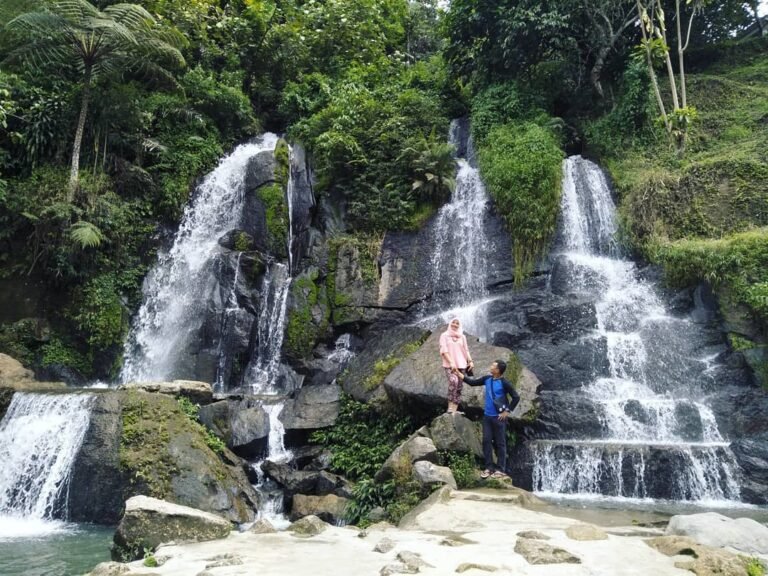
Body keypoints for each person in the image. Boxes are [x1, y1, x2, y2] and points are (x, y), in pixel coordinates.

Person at [458, 360, 520, 479]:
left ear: (498, 370)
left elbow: (516, 397)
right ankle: (489, 468)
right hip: (487, 417)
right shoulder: (487, 379)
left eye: (493, 366)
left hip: (499, 418)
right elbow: (472, 383)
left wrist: (507, 411)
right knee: (486, 441)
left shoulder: (504, 383)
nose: (491, 366)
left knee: (500, 443)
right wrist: (458, 374)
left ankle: (500, 469)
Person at [439, 318, 474, 414]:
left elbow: (466, 350)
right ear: (450, 323)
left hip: (462, 364)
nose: (455, 324)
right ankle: (450, 407)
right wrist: (451, 362)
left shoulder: (462, 337)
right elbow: (444, 350)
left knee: (459, 387)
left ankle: (454, 410)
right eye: (453, 322)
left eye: (457, 323)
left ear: (459, 325)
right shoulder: (444, 335)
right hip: (449, 365)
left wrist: (470, 361)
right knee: (453, 381)